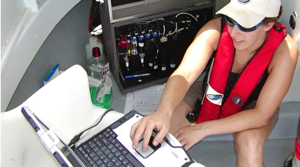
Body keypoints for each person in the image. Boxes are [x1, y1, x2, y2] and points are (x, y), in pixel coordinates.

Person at [130, 0, 298, 166]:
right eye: (232, 21)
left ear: (268, 24)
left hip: (254, 105)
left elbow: (261, 115)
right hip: (210, 92)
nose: (234, 33)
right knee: (160, 134)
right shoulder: (215, 29)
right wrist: (163, 112)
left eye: (246, 26)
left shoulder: (286, 50)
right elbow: (185, 73)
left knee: (250, 142)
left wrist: (203, 129)